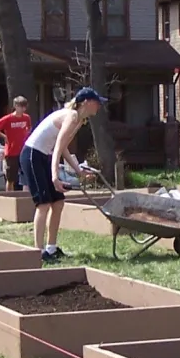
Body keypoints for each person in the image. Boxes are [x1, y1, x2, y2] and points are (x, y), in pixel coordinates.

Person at [21, 87, 107, 262]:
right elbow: (58, 147)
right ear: (86, 102)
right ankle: (37, 253)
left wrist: (78, 170)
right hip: (32, 155)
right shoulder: (72, 115)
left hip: (43, 155)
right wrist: (55, 176)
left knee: (58, 202)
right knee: (43, 204)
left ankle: (51, 249)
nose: (99, 106)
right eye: (96, 102)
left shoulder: (79, 120)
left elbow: (63, 148)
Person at [0, 97, 33, 191]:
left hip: (23, 151)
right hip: (12, 152)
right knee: (11, 178)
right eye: (21, 107)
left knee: (27, 177)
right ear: (15, 106)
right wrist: (4, 136)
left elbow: (29, 129)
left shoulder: (26, 118)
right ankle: (10, 196)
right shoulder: (8, 118)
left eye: (25, 107)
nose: (23, 109)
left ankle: (26, 196)